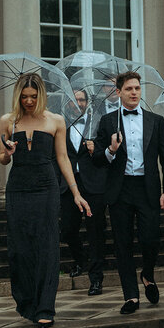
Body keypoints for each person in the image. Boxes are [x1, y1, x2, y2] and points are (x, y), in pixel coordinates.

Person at [0, 73, 91, 328]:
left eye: (34, 96)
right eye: (25, 97)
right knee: (20, 247)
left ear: (41, 96)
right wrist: (7, 153)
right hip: (18, 188)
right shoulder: (8, 121)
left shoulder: (56, 121)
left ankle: (45, 307)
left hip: (46, 188)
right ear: (18, 96)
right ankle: (27, 300)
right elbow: (2, 160)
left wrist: (75, 192)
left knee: (47, 245)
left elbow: (62, 158)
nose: (29, 101)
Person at [92, 71, 164, 315]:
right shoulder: (108, 122)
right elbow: (98, 159)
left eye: (137, 88)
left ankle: (147, 275)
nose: (134, 92)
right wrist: (111, 149)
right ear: (118, 93)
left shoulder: (155, 121)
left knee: (151, 239)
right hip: (120, 190)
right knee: (122, 244)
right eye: (129, 89)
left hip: (147, 188)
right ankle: (130, 295)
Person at [58, 89, 108, 296]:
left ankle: (96, 279)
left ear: (87, 102)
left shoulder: (99, 123)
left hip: (92, 185)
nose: (77, 103)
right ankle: (80, 260)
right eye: (73, 100)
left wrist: (94, 149)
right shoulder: (60, 125)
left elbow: (107, 155)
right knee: (67, 229)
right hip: (68, 184)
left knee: (95, 231)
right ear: (67, 103)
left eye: (81, 99)